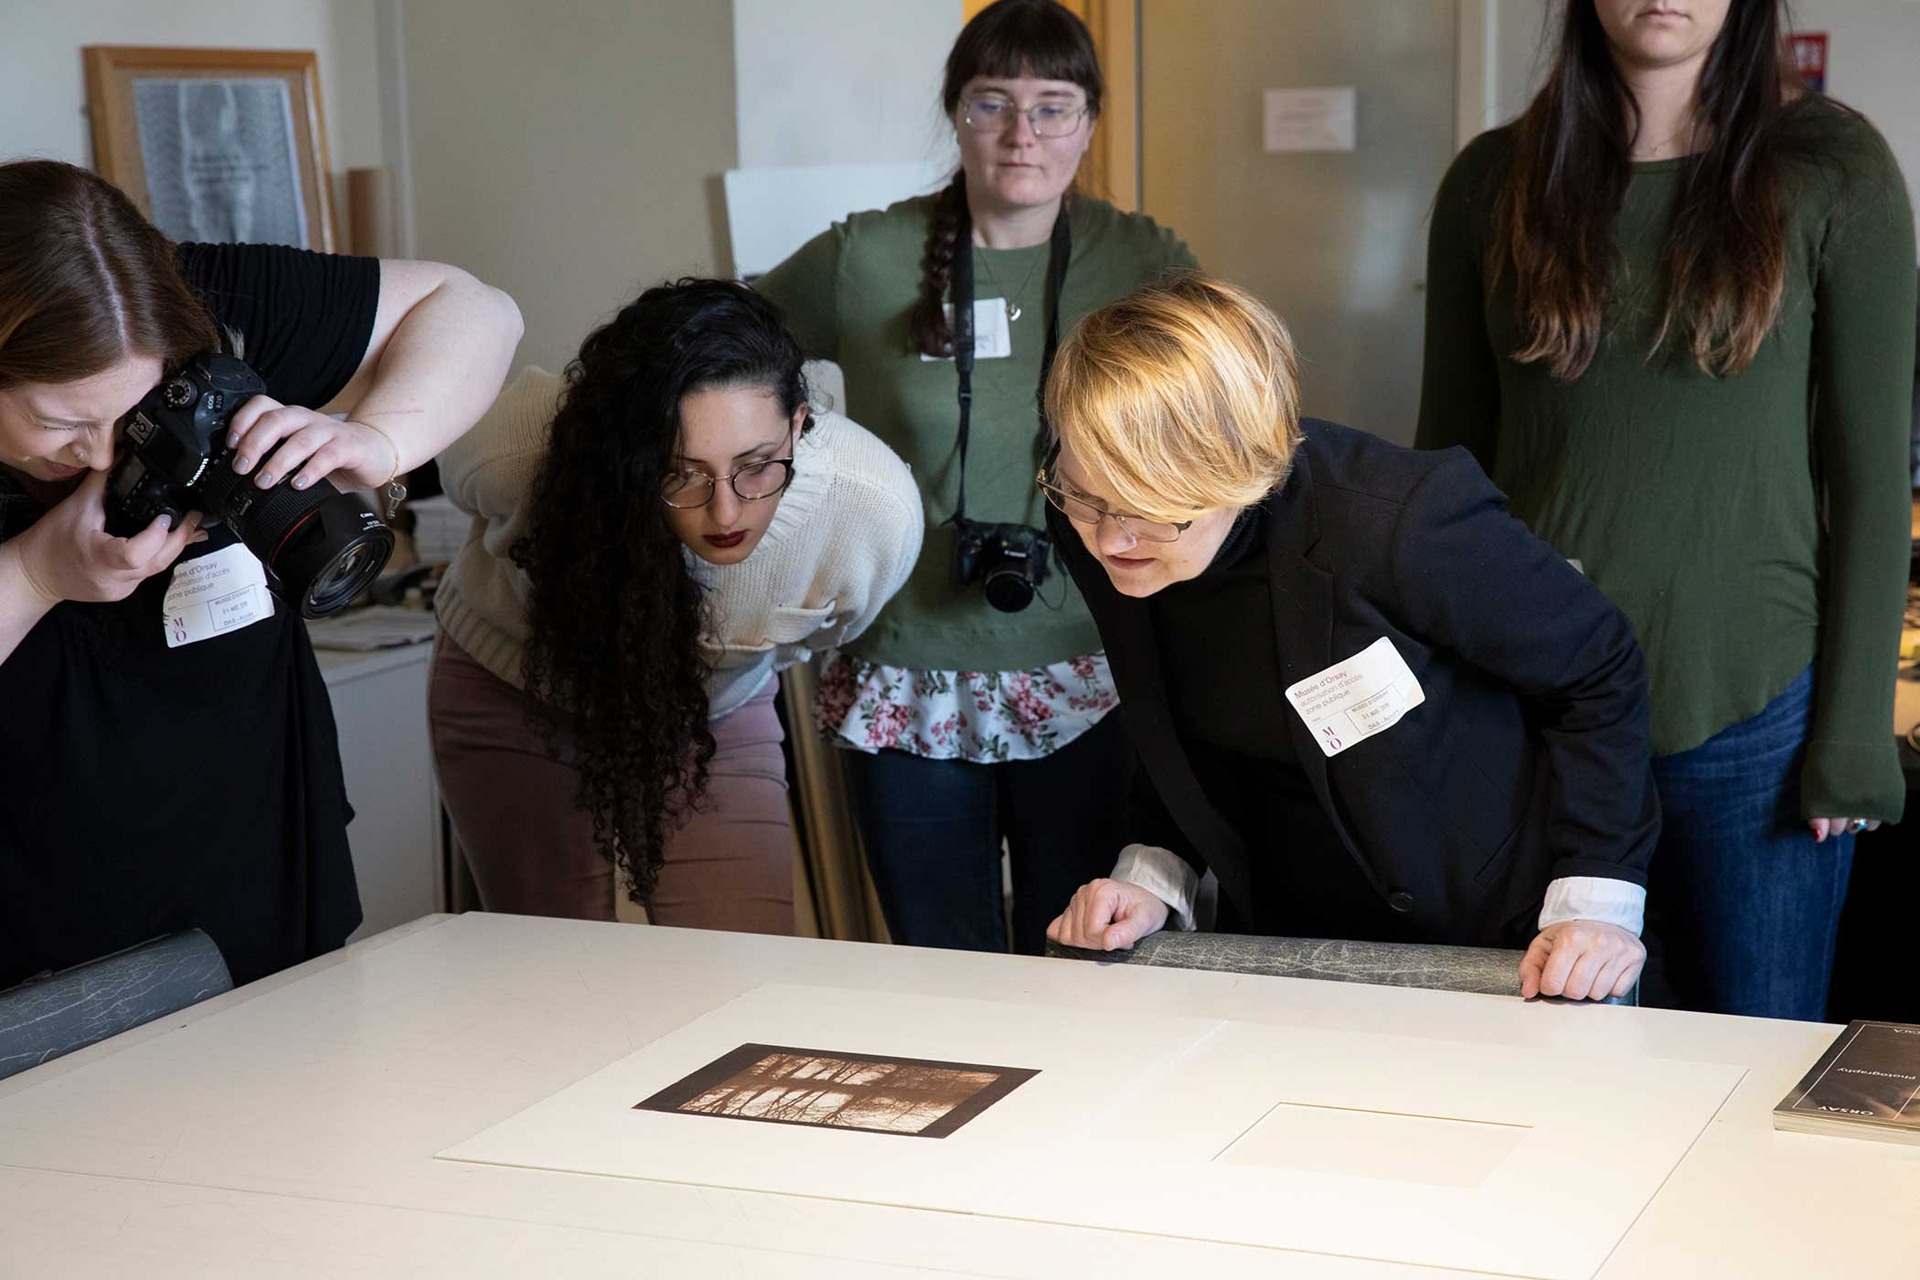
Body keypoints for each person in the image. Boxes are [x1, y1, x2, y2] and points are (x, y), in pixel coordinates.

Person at [1416, 0, 1916, 1018]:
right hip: (1541, 718)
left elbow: (1871, 476)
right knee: (1565, 1080)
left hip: (1759, 720)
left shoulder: (1834, 165)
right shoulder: (1491, 182)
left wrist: (1857, 735)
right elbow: (1443, 483)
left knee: (1755, 1068)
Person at [1043, 275, 1658, 1002]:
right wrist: (1152, 877)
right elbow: (1181, 709)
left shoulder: (1397, 522)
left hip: (1498, 923)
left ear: (1240, 471)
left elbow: (1599, 666)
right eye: (1087, 496)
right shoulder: (1094, 524)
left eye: (1154, 509)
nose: (1112, 538)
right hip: (1287, 928)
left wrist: (1596, 901)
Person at [0, 159, 522, 989]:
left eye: (134, 412)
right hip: (37, 925)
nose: (100, 457)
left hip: (262, 860)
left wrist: (377, 442)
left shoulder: (208, 308)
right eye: (62, 424)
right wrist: (34, 574)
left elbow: (477, 310)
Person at [756, 0, 1196, 955]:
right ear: (955, 112)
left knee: (1084, 959)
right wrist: (778, 491)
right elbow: (718, 351)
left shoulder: (1141, 260)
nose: (1021, 133)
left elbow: (1220, 418)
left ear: (1090, 120)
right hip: (906, 674)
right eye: (992, 102)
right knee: (939, 970)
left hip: (1092, 665)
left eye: (1051, 106)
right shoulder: (866, 257)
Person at [430, 279, 922, 930]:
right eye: (680, 470)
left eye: (757, 464)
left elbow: (823, 634)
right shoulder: (519, 448)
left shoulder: (870, 512)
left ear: (798, 423)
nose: (725, 512)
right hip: (515, 689)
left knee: (744, 971)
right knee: (551, 972)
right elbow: (451, 476)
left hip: (711, 711)